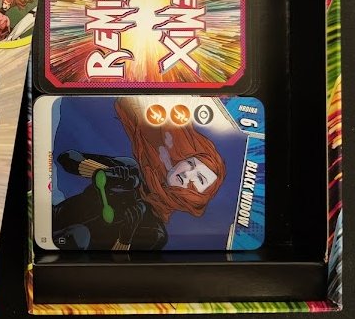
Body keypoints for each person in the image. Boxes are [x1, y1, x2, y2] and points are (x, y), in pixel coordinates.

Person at [52, 98, 226, 251]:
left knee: (79, 235)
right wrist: (102, 172)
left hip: (73, 257)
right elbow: (66, 159)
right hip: (52, 223)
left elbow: (118, 266)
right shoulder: (130, 171)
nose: (188, 173)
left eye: (200, 179)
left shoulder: (156, 233)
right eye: (191, 163)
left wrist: (125, 238)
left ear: (198, 199)